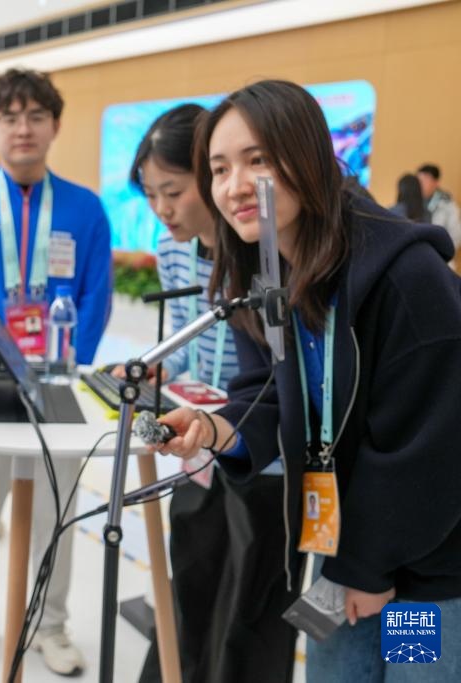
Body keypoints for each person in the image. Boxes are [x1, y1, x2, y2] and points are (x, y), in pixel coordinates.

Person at [158, 79, 461, 681]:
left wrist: (368, 568)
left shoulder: (407, 280)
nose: (235, 185)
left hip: (424, 566)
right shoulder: (270, 276)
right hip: (342, 544)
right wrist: (214, 430)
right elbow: (267, 393)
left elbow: (431, 450)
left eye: (258, 160)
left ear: (311, 156)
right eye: (219, 169)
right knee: (335, 674)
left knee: (412, 672)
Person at [0, 68, 112, 675]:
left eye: (36, 116)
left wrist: (67, 365)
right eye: (9, 118)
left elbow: (96, 297)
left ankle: (49, 626)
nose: (23, 128)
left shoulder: (85, 208)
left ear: (55, 126)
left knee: (55, 515)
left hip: (56, 386)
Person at [118, 104, 300, 683]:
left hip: (399, 568)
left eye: (172, 191)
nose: (162, 207)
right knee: (195, 590)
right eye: (151, 195)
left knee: (254, 611)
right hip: (215, 440)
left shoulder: (276, 257)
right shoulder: (212, 253)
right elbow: (198, 350)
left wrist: (368, 573)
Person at [417, 163, 461, 251]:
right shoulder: (412, 202)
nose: (420, 184)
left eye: (425, 180)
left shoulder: (447, 204)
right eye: (419, 181)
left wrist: (440, 251)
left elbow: (456, 235)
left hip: (439, 253)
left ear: (436, 182)